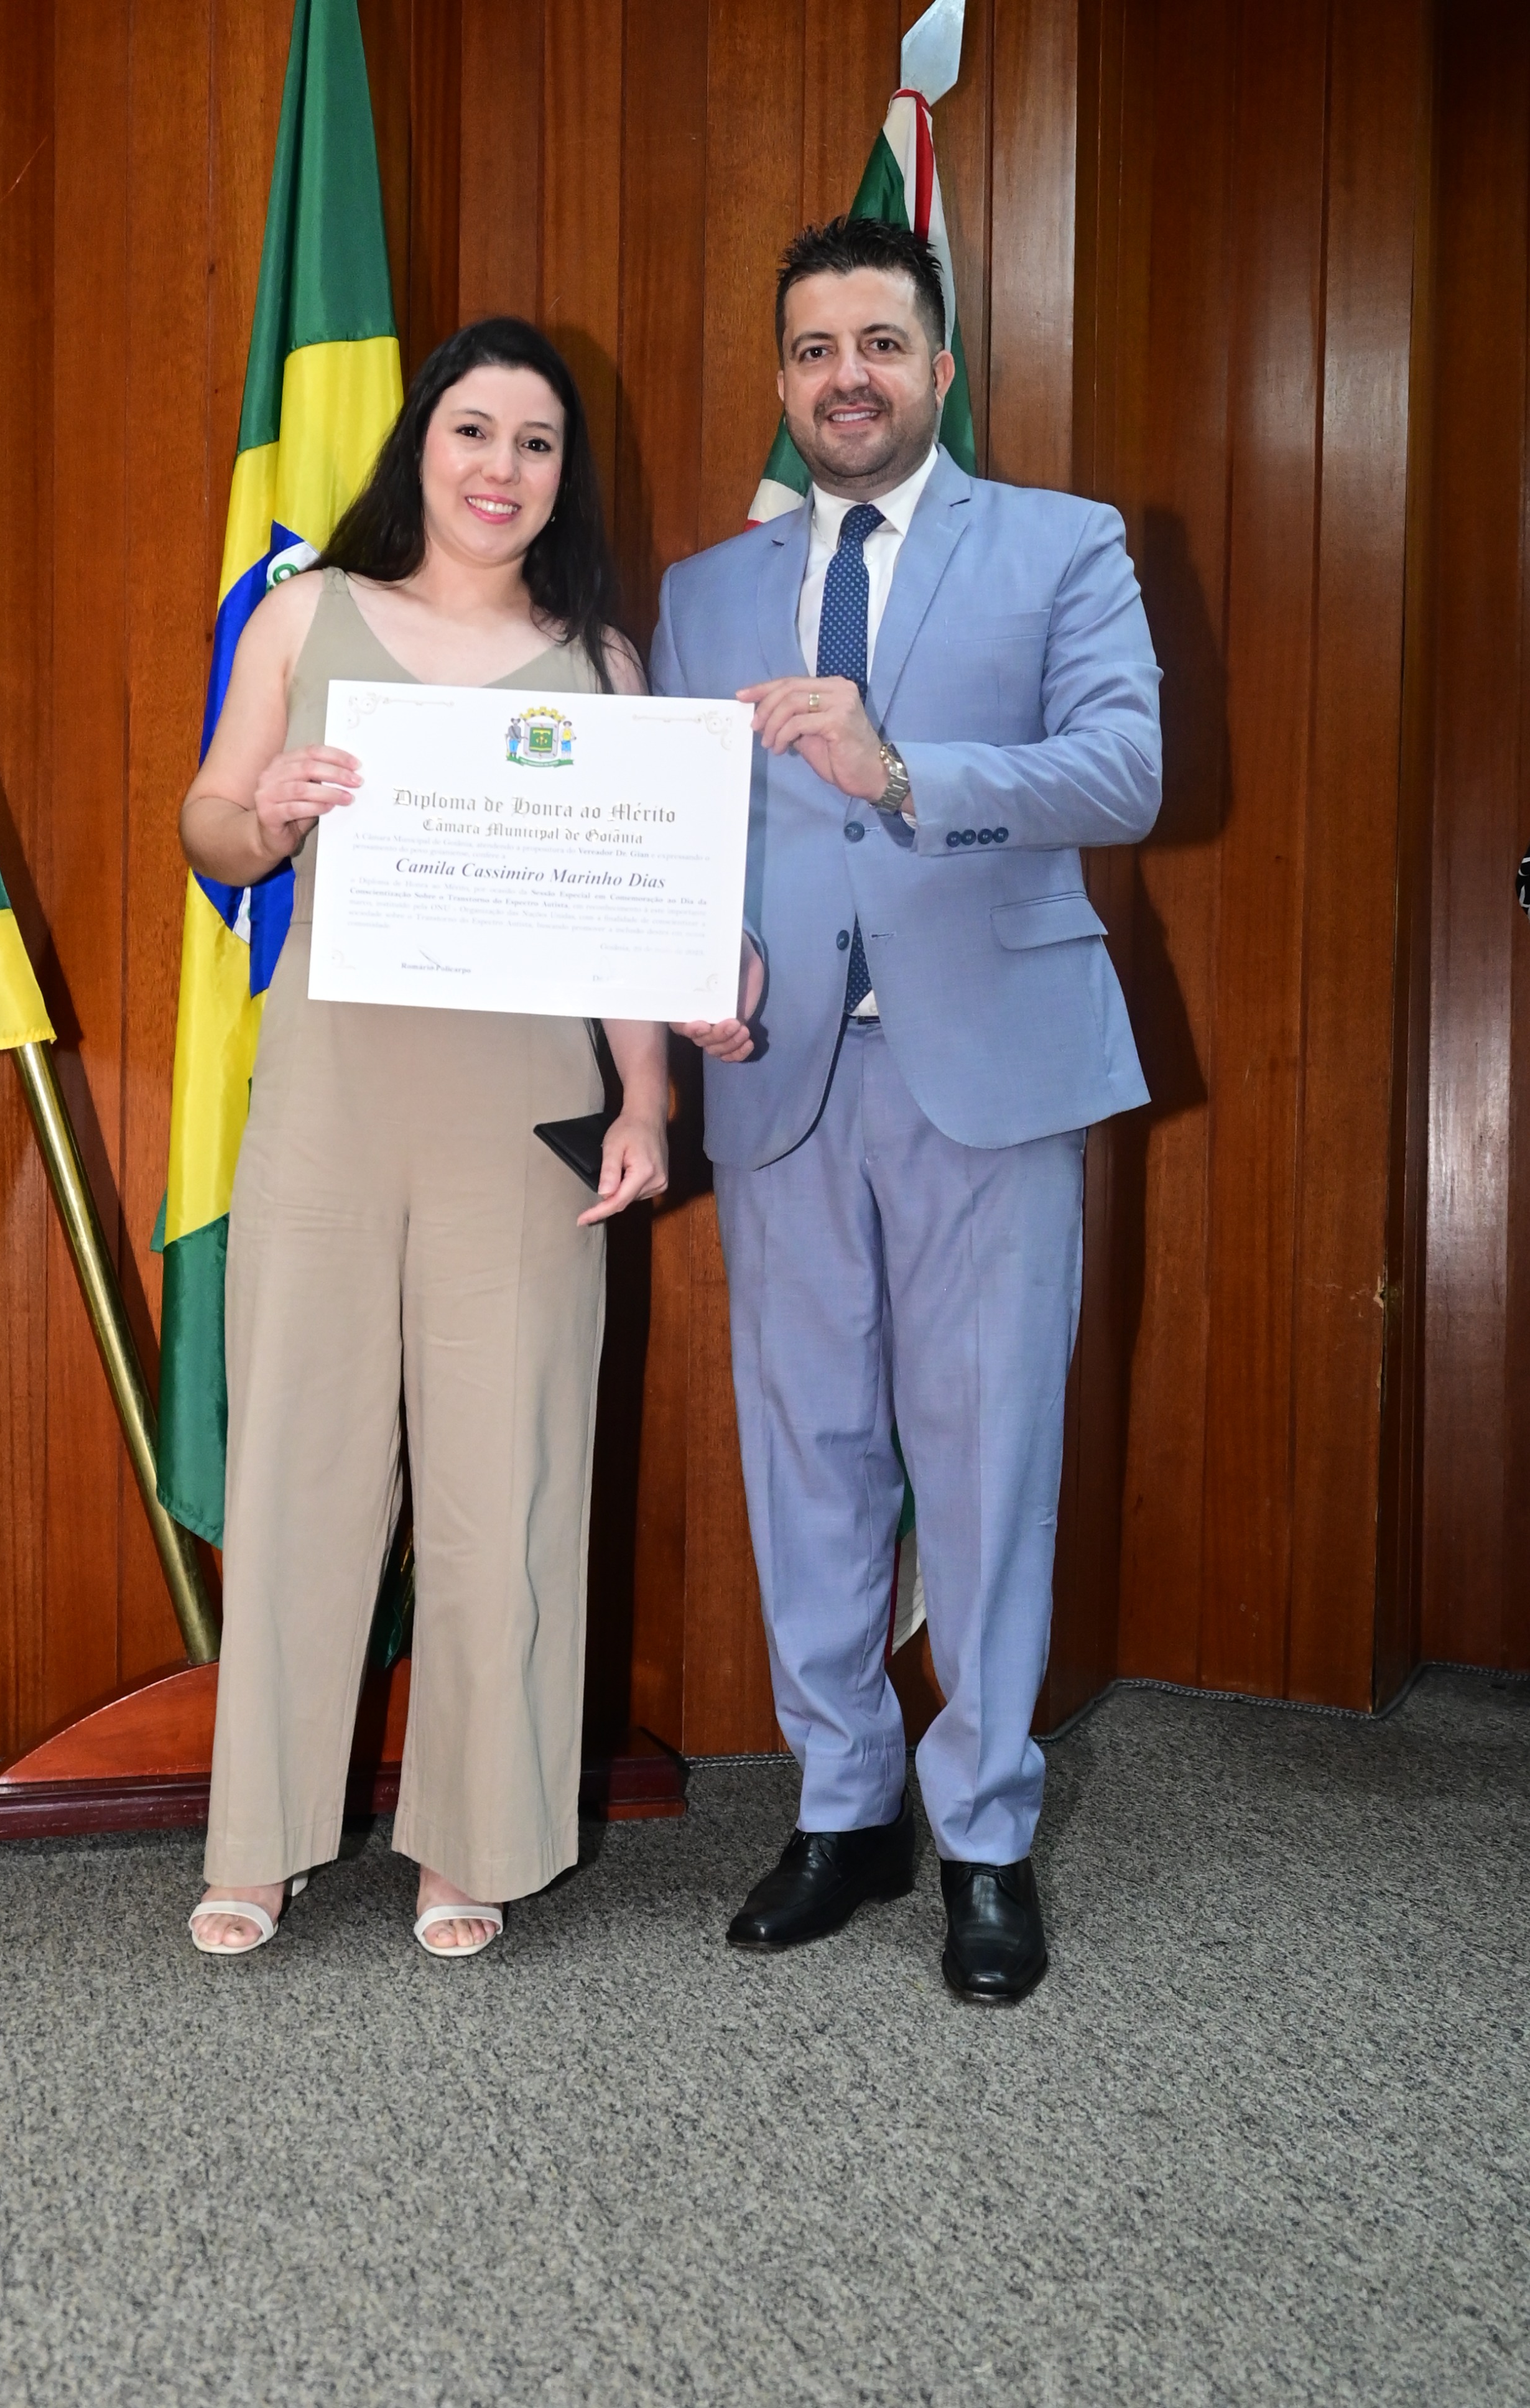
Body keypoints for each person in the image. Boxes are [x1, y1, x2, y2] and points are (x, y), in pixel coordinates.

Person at [659, 217, 1161, 2004]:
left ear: (941, 366)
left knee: (988, 1461)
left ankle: (989, 1837)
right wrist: (691, 955)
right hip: (777, 1077)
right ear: (784, 380)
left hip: (994, 1074)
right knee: (807, 1456)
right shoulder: (705, 590)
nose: (846, 377)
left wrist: (901, 768)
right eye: (814, 350)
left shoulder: (1065, 543)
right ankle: (845, 1808)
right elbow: (683, 826)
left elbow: (1124, 769)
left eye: (880, 342)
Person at [180, 318, 667, 1960]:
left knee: (503, 1481)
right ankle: (257, 1841)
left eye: (536, 442)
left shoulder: (602, 666)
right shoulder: (308, 612)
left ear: (563, 475)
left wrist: (647, 1102)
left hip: (520, 1117)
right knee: (301, 1469)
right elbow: (207, 819)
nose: (499, 468)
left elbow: (630, 920)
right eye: (473, 430)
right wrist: (268, 814)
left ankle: (477, 1840)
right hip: (327, 1099)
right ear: (421, 444)